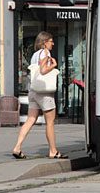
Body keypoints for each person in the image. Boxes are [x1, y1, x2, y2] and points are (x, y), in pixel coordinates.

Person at [12, 31, 66, 160]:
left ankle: (17, 147)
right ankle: (53, 151)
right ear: (44, 42)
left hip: (33, 91)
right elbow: (43, 70)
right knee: (50, 122)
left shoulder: (35, 55)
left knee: (30, 119)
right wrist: (54, 66)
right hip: (44, 93)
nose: (53, 43)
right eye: (51, 41)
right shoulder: (45, 53)